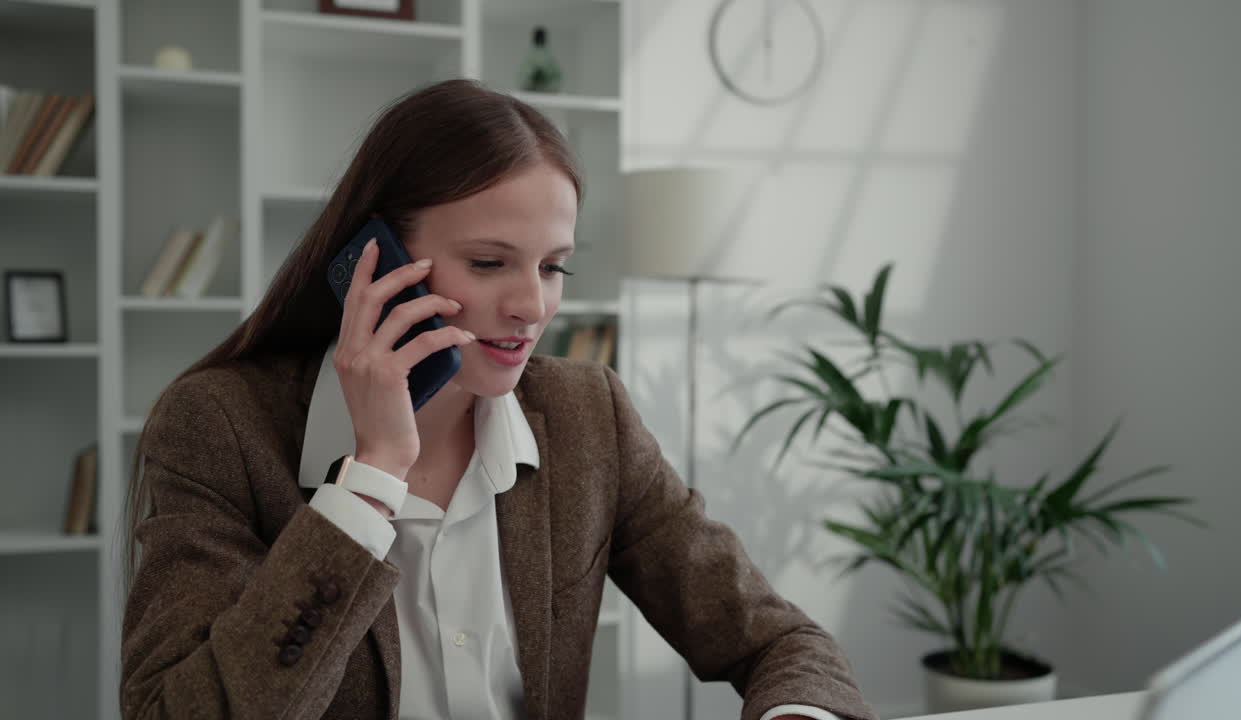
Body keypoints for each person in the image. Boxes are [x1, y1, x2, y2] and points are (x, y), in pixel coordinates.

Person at [118, 78, 877, 720]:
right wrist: (372, 479)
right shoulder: (219, 425)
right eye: (488, 263)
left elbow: (782, 643)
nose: (531, 306)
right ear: (373, 260)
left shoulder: (590, 419)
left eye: (554, 268)